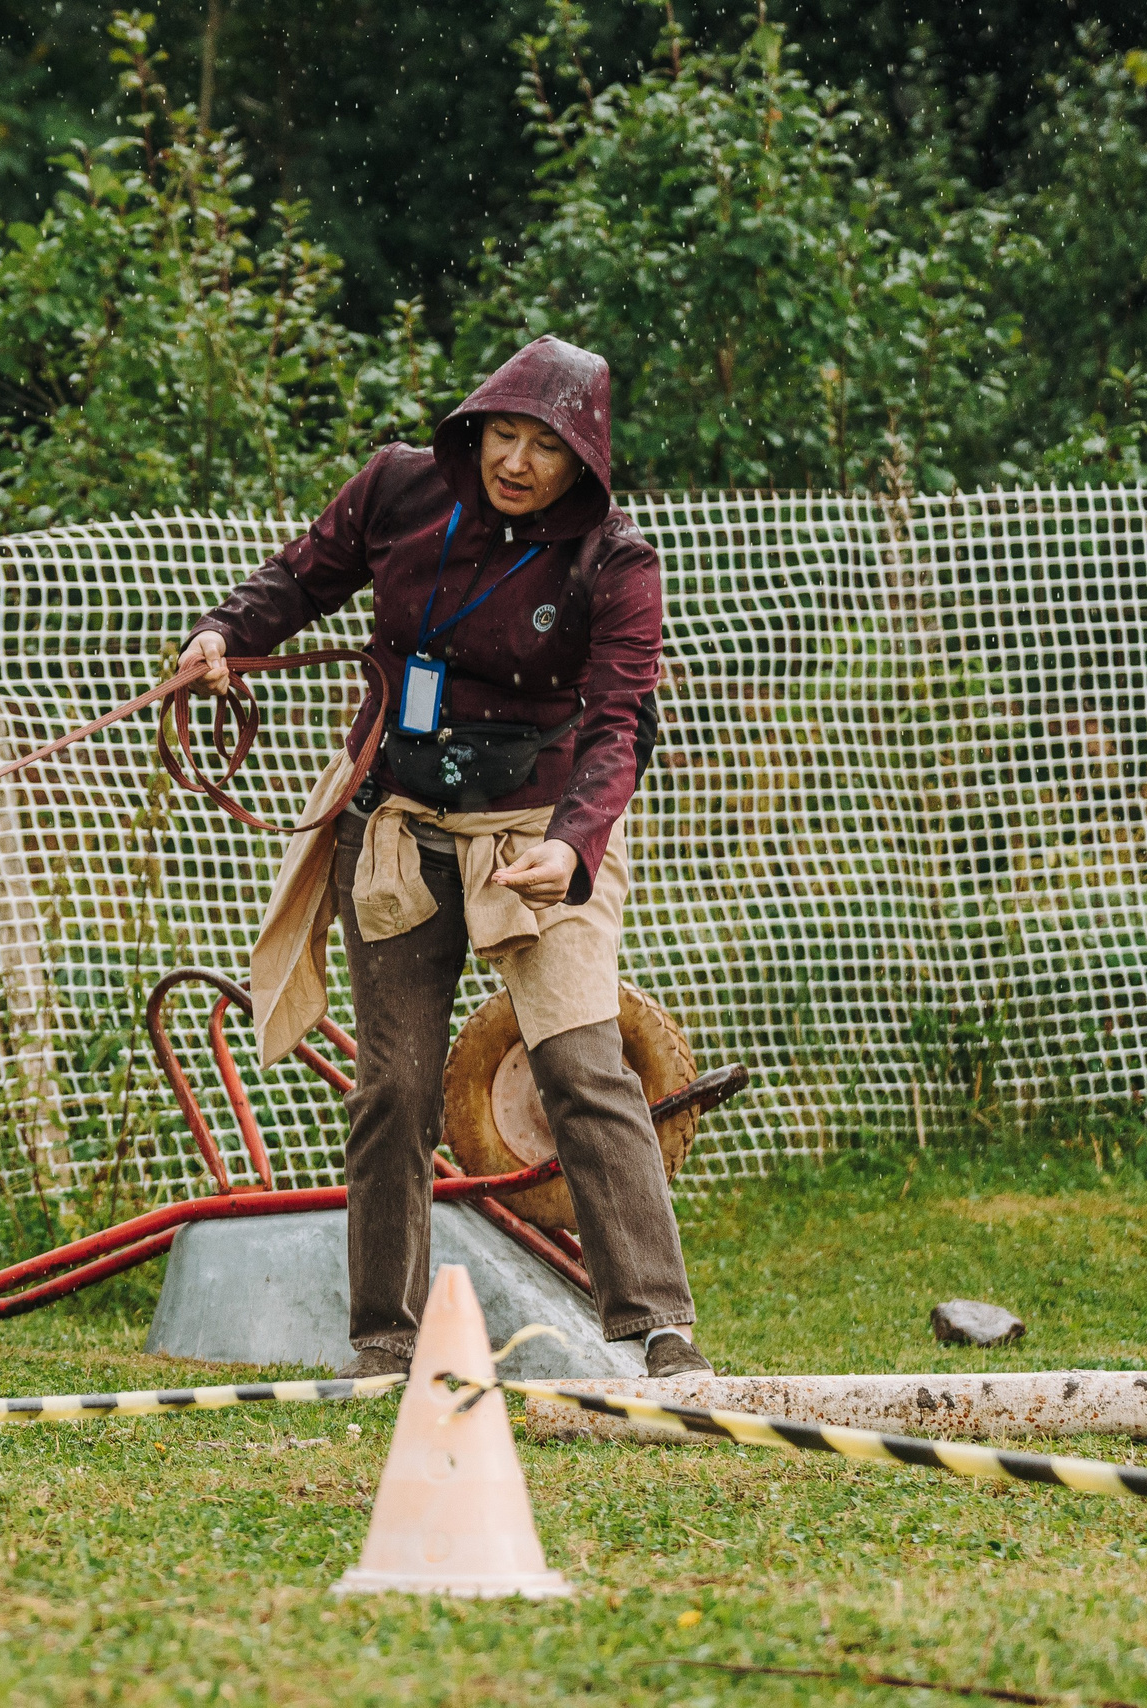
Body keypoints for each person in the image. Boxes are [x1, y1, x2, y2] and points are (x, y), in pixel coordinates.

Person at [176, 334, 710, 1381]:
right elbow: (298, 579)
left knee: (580, 1066)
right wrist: (223, 635)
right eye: (501, 435)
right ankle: (384, 1340)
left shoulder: (616, 559)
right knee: (394, 1088)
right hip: (395, 823)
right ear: (473, 429)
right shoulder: (397, 487)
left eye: (544, 448)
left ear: (584, 461)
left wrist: (572, 846)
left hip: (537, 831)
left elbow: (618, 726)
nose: (515, 462)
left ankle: (660, 1330)